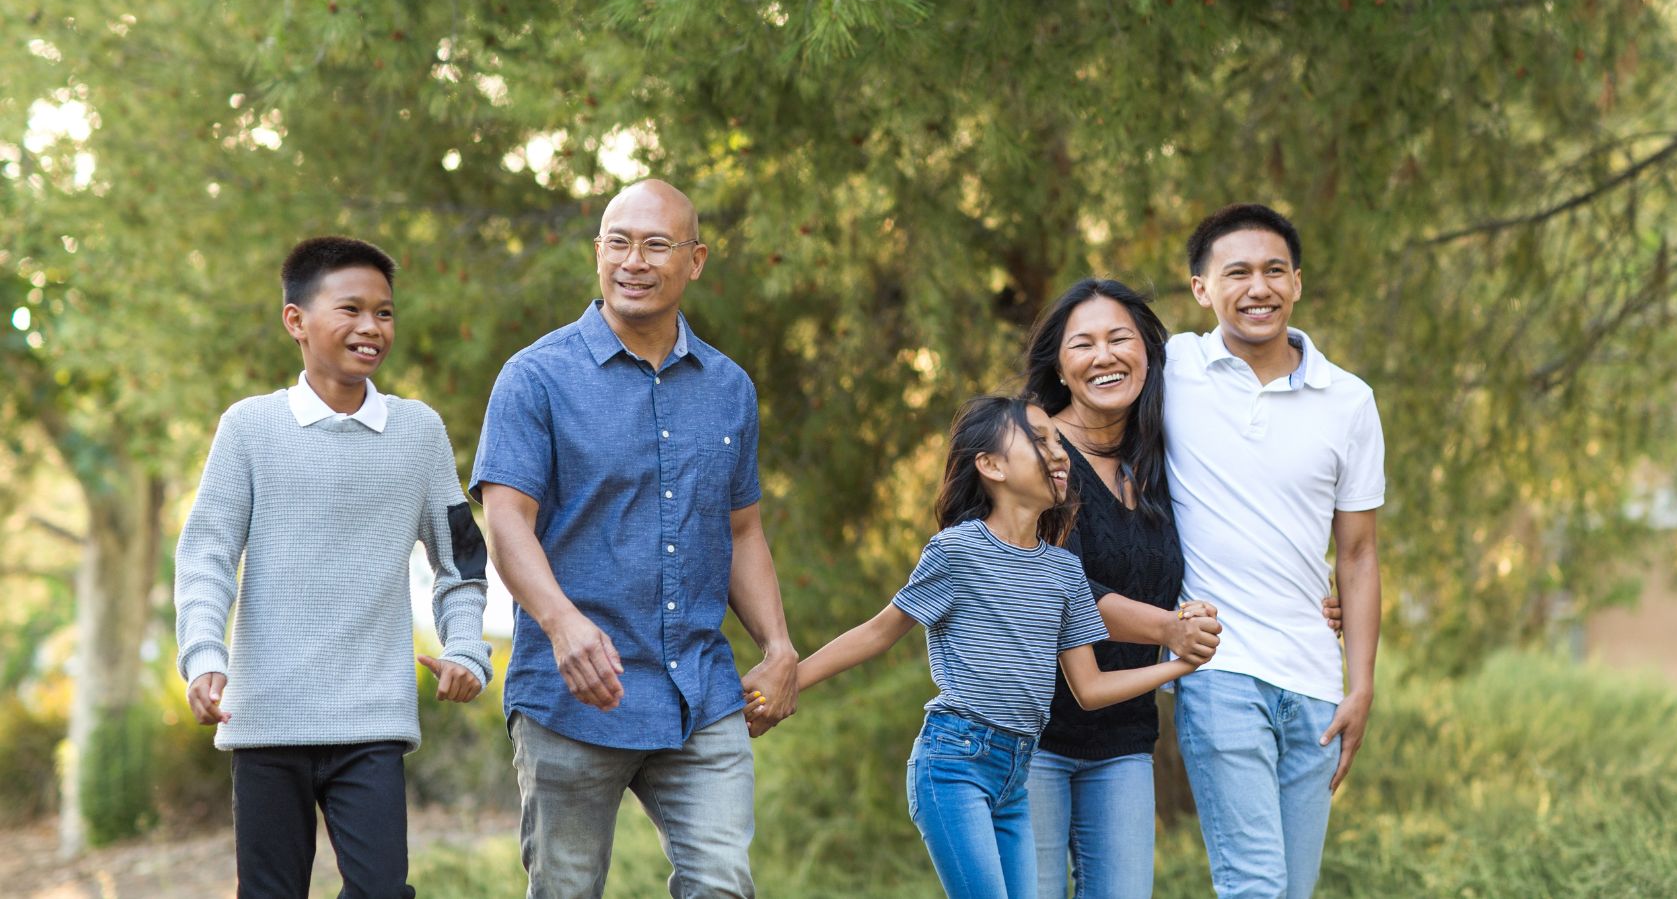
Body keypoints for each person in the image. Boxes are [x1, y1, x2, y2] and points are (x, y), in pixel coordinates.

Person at [473, 179, 797, 899]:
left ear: (696, 260)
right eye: (618, 242)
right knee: (567, 889)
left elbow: (742, 527)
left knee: (723, 884)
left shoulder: (729, 386)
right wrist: (561, 623)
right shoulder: (536, 377)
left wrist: (778, 646)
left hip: (698, 692)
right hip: (573, 695)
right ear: (597, 253)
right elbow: (505, 519)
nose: (634, 260)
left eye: (657, 244)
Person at [784, 395, 1213, 899]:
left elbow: (1091, 688)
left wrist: (1177, 665)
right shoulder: (957, 551)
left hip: (1016, 777)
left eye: (1059, 441)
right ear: (990, 465)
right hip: (954, 763)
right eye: (1040, 439)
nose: (1059, 453)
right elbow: (879, 632)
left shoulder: (1063, 573)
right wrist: (790, 680)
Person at [174, 236, 493, 899]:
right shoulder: (249, 428)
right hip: (264, 718)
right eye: (351, 308)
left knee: (383, 891)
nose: (371, 327)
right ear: (296, 320)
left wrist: (467, 645)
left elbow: (460, 557)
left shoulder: (420, 432)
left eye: (384, 312)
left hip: (370, 720)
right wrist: (203, 654)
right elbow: (206, 554)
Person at [1166, 204, 1384, 899]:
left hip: (1315, 681)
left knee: (1292, 889)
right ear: (1202, 287)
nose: (1257, 287)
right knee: (1255, 886)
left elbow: (1357, 554)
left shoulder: (1348, 400)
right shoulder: (1170, 367)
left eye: (1273, 270)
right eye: (1236, 272)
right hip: (1217, 668)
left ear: (1296, 283)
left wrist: (1361, 683)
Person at [1019, 279, 1217, 899]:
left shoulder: (1162, 459)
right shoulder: (1034, 453)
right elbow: (1066, 588)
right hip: (1032, 736)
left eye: (1119, 339)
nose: (1104, 356)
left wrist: (1316, 593)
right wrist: (1168, 631)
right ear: (1060, 365)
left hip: (1125, 739)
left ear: (1148, 355)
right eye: (1084, 344)